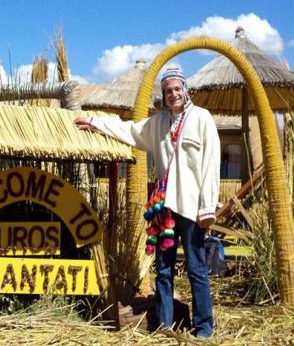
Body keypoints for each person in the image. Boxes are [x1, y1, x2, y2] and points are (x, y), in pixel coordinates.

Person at [74, 68, 220, 338]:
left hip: (191, 207)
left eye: (177, 89)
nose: (173, 94)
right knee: (163, 270)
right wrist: (94, 122)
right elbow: (130, 130)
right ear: (163, 96)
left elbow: (211, 163)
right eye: (168, 91)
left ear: (185, 90)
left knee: (196, 268)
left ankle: (204, 329)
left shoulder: (201, 119)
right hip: (164, 208)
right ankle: (164, 327)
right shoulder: (158, 123)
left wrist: (207, 207)